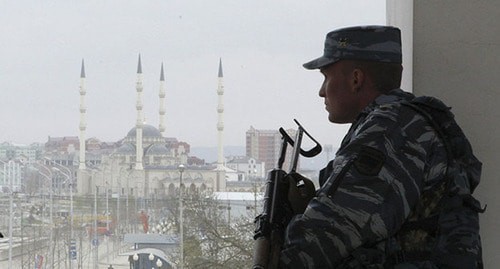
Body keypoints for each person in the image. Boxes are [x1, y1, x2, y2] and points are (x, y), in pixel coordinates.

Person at [279, 25, 483, 268]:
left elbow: (327, 234)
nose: (321, 92)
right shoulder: (404, 123)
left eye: (326, 77)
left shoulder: (391, 129)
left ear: (356, 79)